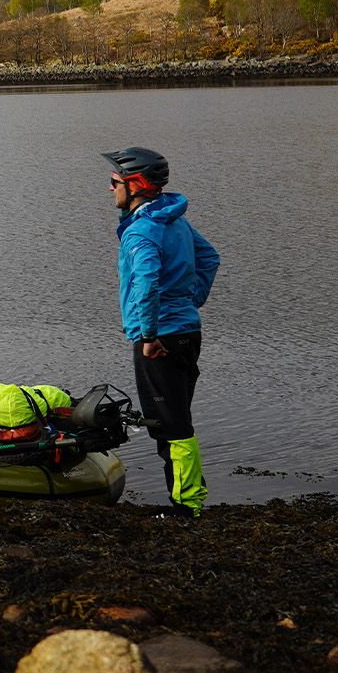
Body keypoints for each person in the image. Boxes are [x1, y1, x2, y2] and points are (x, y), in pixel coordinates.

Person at [103, 146, 220, 516]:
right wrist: (189, 300)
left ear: (135, 185)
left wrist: (150, 335)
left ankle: (187, 506)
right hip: (185, 329)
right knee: (176, 419)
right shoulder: (174, 220)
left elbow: (147, 282)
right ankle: (187, 499)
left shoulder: (141, 232)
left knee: (171, 425)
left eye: (114, 181)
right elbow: (210, 257)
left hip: (160, 339)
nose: (110, 189)